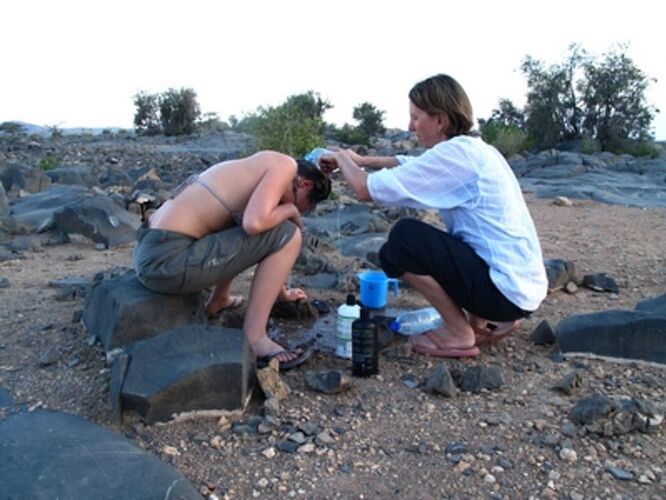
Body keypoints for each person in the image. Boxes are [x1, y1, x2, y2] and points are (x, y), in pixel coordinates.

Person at [320, 73, 548, 358]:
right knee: (403, 251)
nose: (410, 126)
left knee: (405, 238)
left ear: (440, 120)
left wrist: (341, 158)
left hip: (505, 291)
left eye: (416, 118)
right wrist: (362, 160)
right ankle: (479, 321)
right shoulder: (475, 150)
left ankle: (459, 332)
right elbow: (411, 163)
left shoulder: (457, 155)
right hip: (518, 287)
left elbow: (366, 189)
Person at [133, 151, 331, 369]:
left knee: (262, 226)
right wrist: (291, 210)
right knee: (290, 234)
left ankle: (219, 299)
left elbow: (238, 236)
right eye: (303, 206)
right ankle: (255, 338)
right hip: (169, 262)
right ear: (305, 184)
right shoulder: (285, 165)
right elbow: (254, 225)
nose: (296, 211)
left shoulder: (253, 168)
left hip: (151, 253)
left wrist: (282, 293)